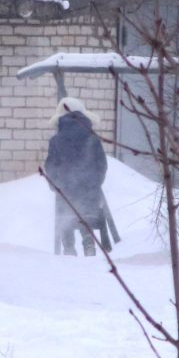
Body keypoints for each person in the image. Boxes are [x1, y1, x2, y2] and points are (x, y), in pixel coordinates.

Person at [44, 97, 108, 256]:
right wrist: (95, 182)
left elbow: (50, 166)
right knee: (86, 214)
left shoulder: (56, 141)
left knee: (66, 217)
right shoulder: (93, 139)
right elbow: (101, 164)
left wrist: (55, 185)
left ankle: (69, 249)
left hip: (65, 191)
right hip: (89, 192)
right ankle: (89, 243)